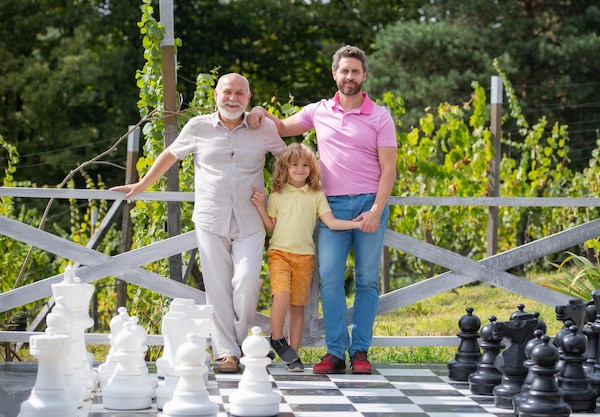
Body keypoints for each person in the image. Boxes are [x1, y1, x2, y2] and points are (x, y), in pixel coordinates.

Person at [111, 73, 286, 373]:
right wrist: (141, 184)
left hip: (252, 219)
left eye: (240, 93)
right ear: (216, 94)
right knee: (217, 288)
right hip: (210, 218)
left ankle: (244, 343)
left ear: (249, 97)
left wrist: (298, 200)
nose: (233, 98)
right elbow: (170, 155)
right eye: (227, 92)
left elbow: (289, 160)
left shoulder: (264, 128)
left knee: (246, 282)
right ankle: (228, 353)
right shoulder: (198, 127)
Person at [249, 45, 397, 374]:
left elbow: (389, 169)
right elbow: (283, 128)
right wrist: (259, 109)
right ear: (335, 74)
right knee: (330, 280)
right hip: (330, 207)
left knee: (367, 281)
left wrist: (375, 210)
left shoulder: (380, 116)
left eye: (355, 71)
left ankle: (360, 352)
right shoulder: (318, 111)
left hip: (369, 205)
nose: (349, 76)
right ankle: (335, 352)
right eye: (344, 70)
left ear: (364, 75)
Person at [251, 142, 362, 372]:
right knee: (281, 295)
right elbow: (272, 226)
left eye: (305, 165)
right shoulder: (278, 194)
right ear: (285, 167)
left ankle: (292, 354)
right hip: (279, 253)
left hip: (305, 257)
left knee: (297, 306)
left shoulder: (316, 194)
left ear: (312, 168)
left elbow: (330, 221)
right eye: (294, 165)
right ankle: (277, 338)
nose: (300, 169)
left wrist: (355, 223)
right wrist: (260, 206)